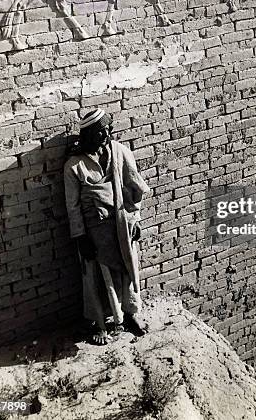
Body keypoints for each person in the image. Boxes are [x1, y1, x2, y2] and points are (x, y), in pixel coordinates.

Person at [64, 109, 150, 344]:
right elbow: (73, 206)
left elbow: (136, 189)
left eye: (108, 131)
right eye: (100, 132)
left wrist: (137, 220)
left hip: (123, 223)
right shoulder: (74, 166)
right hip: (95, 230)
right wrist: (81, 236)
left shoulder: (121, 153)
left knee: (128, 269)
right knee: (96, 276)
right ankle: (100, 324)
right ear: (88, 135)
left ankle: (131, 315)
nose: (106, 136)